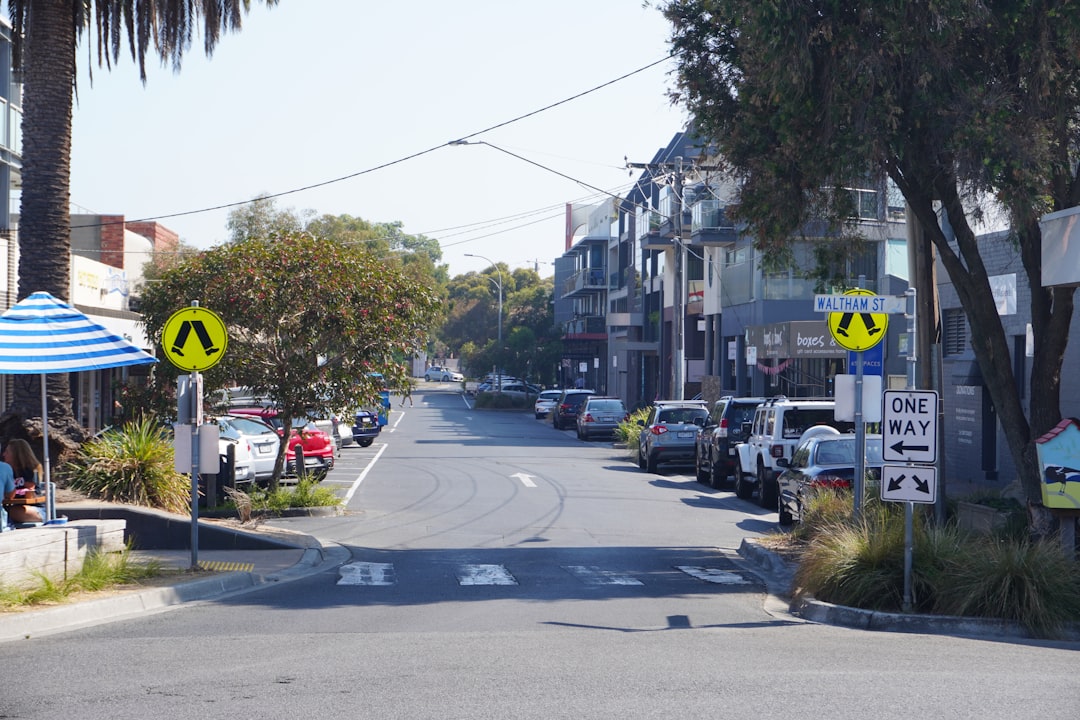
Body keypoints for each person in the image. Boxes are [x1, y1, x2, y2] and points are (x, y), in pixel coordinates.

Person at [2, 439, 43, 524]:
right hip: (12, 507)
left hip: (35, 509)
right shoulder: (6, 471)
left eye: (7, 452)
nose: (3, 455)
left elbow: (29, 492)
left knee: (15, 512)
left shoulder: (30, 471)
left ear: (16, 454)